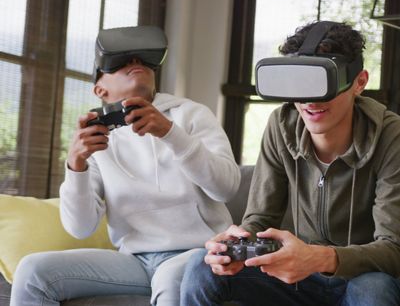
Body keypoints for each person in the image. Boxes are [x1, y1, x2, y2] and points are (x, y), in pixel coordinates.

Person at [180, 22, 400, 306]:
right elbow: (260, 220)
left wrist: (317, 257)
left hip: (366, 277)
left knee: (373, 291)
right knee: (200, 266)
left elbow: (393, 250)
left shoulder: (392, 133)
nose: (309, 100)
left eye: (322, 84)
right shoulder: (281, 126)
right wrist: (234, 248)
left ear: (359, 82)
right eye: (300, 84)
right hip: (300, 278)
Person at [10, 26, 241, 306]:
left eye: (143, 60)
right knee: (33, 271)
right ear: (100, 89)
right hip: (133, 260)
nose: (135, 64)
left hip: (197, 253)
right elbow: (80, 228)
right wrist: (76, 165)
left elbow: (226, 188)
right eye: (121, 63)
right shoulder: (95, 137)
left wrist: (170, 133)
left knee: (173, 284)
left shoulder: (191, 115)